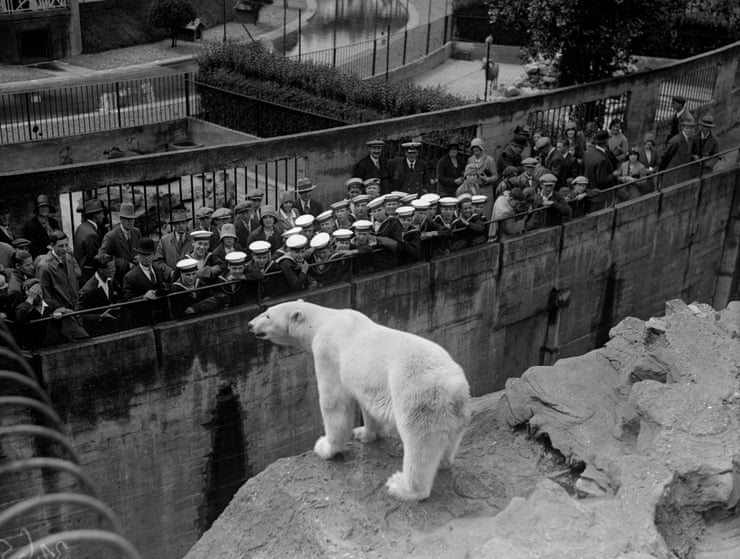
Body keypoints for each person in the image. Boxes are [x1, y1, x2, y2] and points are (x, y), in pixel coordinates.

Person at [76, 253, 124, 336]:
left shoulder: (111, 280)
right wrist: (100, 316)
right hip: (97, 331)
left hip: (112, 328)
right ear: (100, 270)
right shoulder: (88, 290)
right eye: (111, 268)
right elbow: (79, 313)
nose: (114, 270)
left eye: (114, 267)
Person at [37, 230, 81, 311]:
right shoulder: (44, 267)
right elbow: (45, 294)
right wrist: (59, 308)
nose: (64, 249)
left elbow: (74, 281)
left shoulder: (68, 258)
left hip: (74, 307)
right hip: (60, 311)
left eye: (66, 245)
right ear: (52, 246)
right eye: (61, 246)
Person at [100, 202, 142, 284]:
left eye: (132, 219)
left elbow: (141, 249)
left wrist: (140, 256)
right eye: (127, 219)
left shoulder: (136, 232)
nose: (130, 222)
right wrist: (125, 265)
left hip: (136, 277)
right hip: (120, 280)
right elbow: (102, 258)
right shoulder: (111, 236)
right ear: (121, 219)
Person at [153, 208, 192, 282]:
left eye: (183, 222)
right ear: (173, 225)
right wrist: (170, 272)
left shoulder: (193, 239)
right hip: (172, 283)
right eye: (178, 223)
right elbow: (157, 262)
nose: (181, 226)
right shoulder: (164, 240)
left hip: (191, 280)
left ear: (187, 223)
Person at [583, 130, 617, 208]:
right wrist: (614, 174)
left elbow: (582, 169)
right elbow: (602, 180)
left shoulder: (588, 152)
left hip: (588, 189)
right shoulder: (602, 159)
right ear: (606, 142)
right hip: (599, 194)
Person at [660, 115, 697, 184]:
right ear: (683, 128)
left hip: (685, 173)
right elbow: (666, 156)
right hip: (673, 173)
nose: (689, 130)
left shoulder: (692, 140)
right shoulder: (675, 141)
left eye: (691, 128)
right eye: (687, 128)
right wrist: (662, 172)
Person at [466, 137, 497, 218]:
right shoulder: (470, 160)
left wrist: (488, 179)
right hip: (474, 190)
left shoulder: (489, 160)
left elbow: (496, 176)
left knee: (486, 214)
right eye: (473, 148)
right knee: (474, 214)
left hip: (486, 191)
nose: (475, 150)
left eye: (477, 148)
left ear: (481, 148)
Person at [23, 194, 61, 259]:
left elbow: (60, 238)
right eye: (42, 207)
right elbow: (33, 249)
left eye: (47, 207)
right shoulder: (30, 226)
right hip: (43, 259)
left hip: (58, 256)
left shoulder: (53, 222)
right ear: (37, 209)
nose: (44, 209)